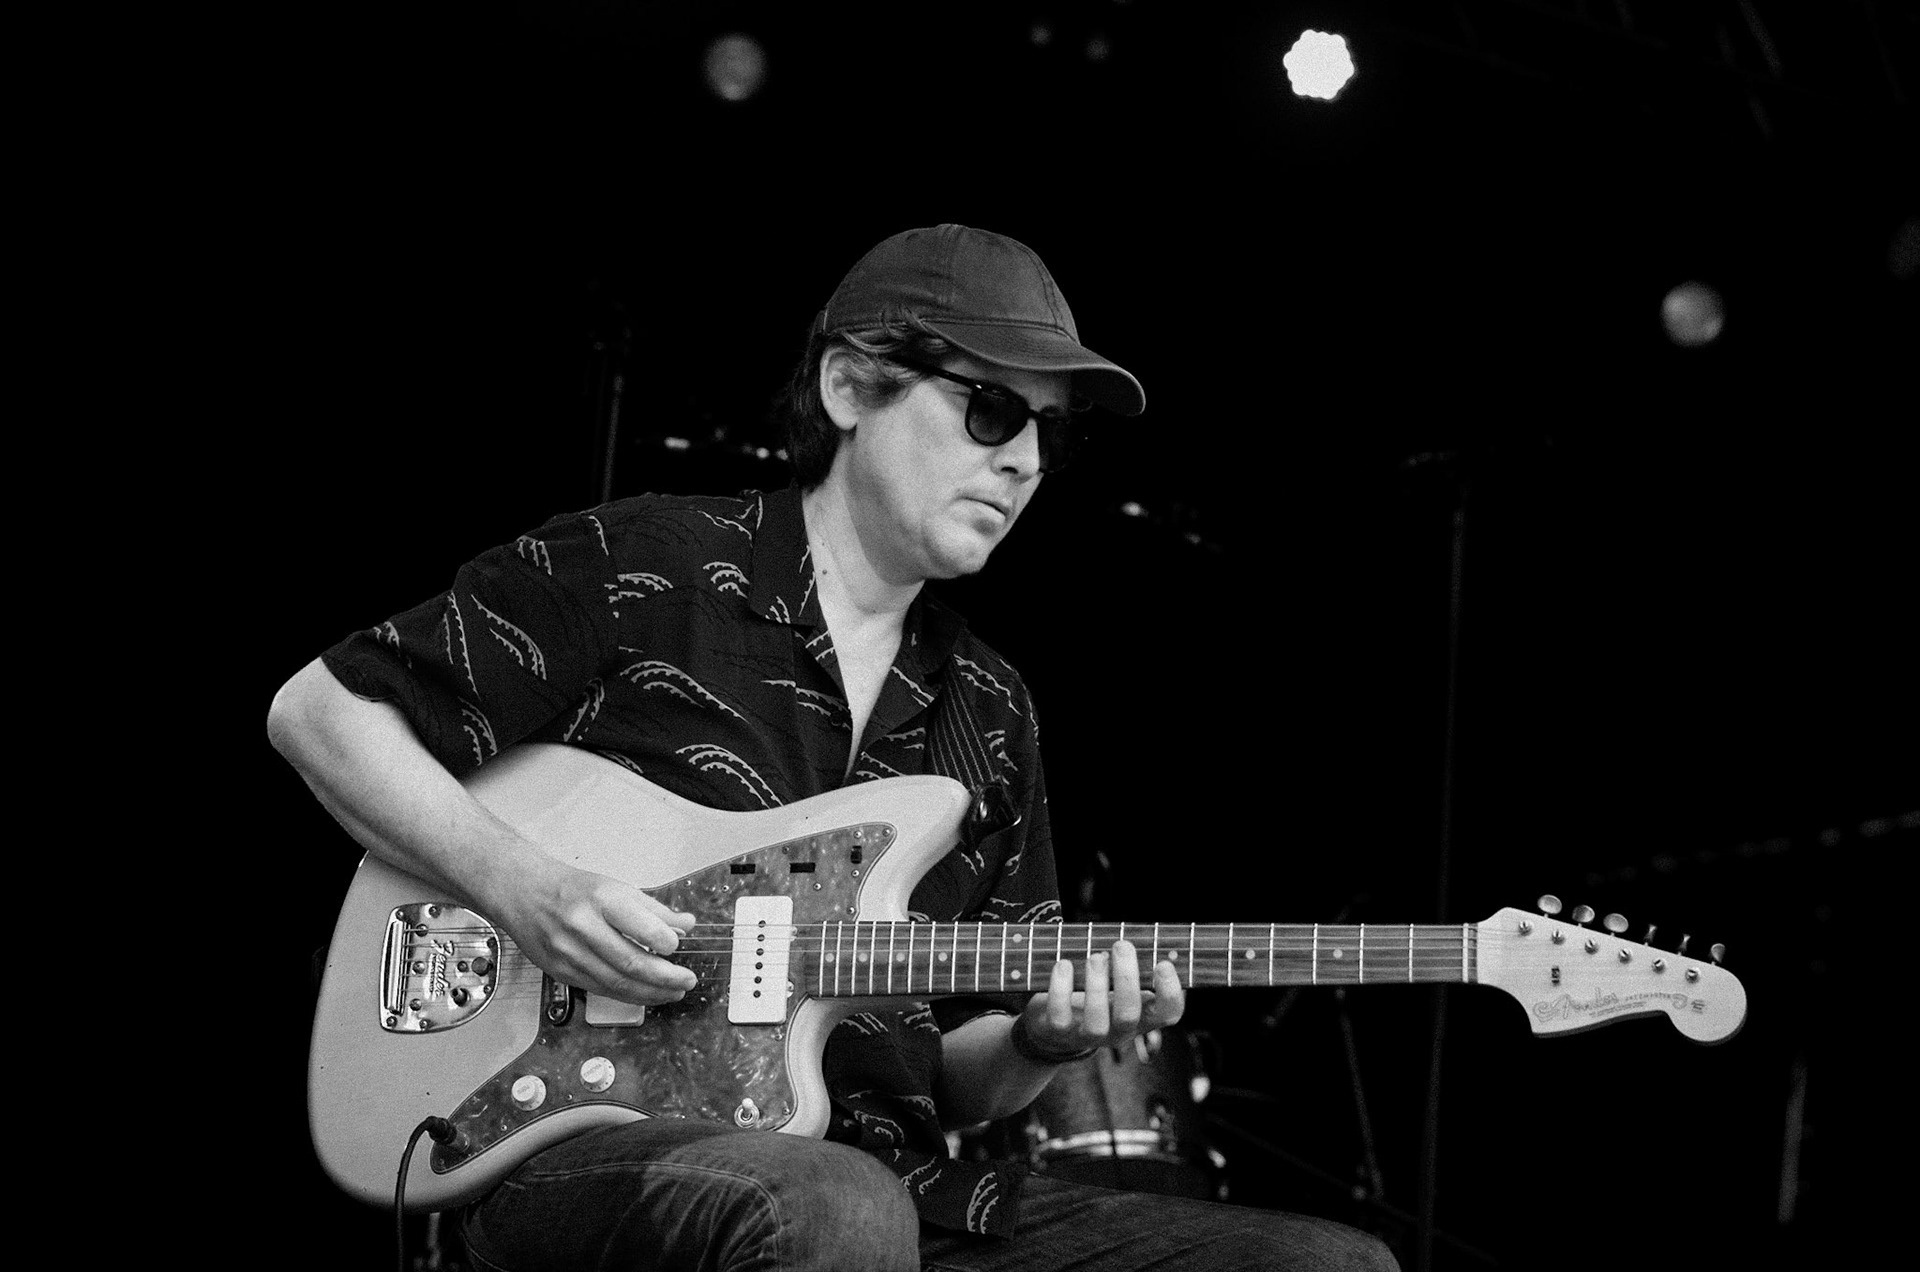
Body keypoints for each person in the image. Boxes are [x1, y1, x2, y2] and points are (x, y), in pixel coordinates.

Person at [270, 223, 1398, 1271]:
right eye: (993, 411)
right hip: (573, 1143)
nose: (1027, 464)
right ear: (851, 383)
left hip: (901, 1187)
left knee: (1335, 1262)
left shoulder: (990, 708)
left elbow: (955, 1080)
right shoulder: (642, 564)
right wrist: (531, 890)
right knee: (831, 1203)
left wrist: (1043, 1043)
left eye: (1053, 432)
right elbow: (321, 713)